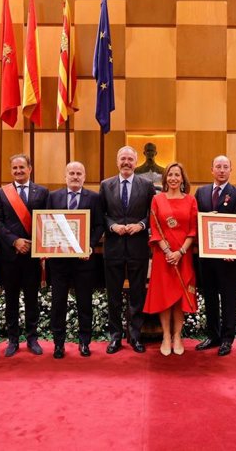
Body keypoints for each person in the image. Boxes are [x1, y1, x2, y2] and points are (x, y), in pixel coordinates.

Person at [100, 145, 156, 354]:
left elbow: (153, 214)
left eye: (130, 159)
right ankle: (115, 338)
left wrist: (141, 225)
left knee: (137, 295)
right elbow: (101, 214)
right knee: (113, 295)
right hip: (113, 248)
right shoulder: (106, 185)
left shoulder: (147, 185)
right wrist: (112, 226)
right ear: (117, 161)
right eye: (123, 158)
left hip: (138, 247)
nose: (126, 162)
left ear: (135, 162)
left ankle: (135, 336)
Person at [0, 154, 48, 357]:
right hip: (10, 256)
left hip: (33, 256)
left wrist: (34, 244)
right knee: (11, 300)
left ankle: (32, 339)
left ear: (30, 168)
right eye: (14, 168)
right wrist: (14, 241)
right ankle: (13, 340)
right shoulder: (2, 193)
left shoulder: (42, 192)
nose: (18, 171)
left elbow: (47, 221)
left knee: (32, 300)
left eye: (22, 167)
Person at [46, 162, 104, 359]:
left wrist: (90, 245)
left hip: (84, 261)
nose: (75, 176)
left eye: (79, 173)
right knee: (58, 303)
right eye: (71, 173)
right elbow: (46, 223)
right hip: (58, 262)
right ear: (65, 176)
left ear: (84, 177)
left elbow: (98, 225)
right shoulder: (53, 197)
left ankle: (84, 342)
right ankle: (58, 344)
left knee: (84, 303)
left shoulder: (94, 198)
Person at [194, 155, 236, 356]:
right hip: (206, 257)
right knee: (209, 297)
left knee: (228, 298)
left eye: (225, 167)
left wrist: (232, 250)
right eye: (218, 166)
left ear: (230, 170)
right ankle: (213, 335)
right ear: (212, 169)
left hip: (228, 258)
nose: (222, 170)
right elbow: (195, 218)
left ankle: (227, 339)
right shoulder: (201, 192)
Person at [144, 163, 198, 356]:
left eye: (177, 175)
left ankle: (178, 336)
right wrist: (168, 251)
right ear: (165, 178)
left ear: (183, 178)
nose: (174, 178)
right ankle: (166, 336)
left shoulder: (191, 200)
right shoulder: (157, 199)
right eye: (170, 175)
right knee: (165, 296)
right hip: (163, 256)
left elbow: (193, 230)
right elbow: (155, 228)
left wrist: (180, 252)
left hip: (183, 256)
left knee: (180, 297)